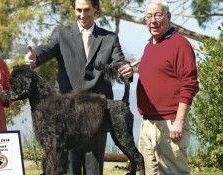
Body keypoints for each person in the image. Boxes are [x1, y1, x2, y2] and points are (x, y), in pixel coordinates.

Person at [25, 0, 133, 174]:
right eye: (79, 10)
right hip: (67, 116)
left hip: (96, 113)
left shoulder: (109, 38)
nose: (82, 15)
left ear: (96, 8)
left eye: (87, 10)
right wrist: (35, 57)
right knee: (69, 170)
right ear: (73, 10)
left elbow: (119, 60)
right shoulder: (61, 33)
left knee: (94, 170)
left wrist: (125, 68)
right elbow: (46, 49)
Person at [136, 0, 199, 174]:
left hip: (170, 123)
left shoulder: (180, 44)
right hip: (147, 123)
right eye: (149, 16)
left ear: (168, 17)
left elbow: (189, 84)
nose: (153, 20)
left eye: (158, 15)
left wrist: (179, 122)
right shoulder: (149, 46)